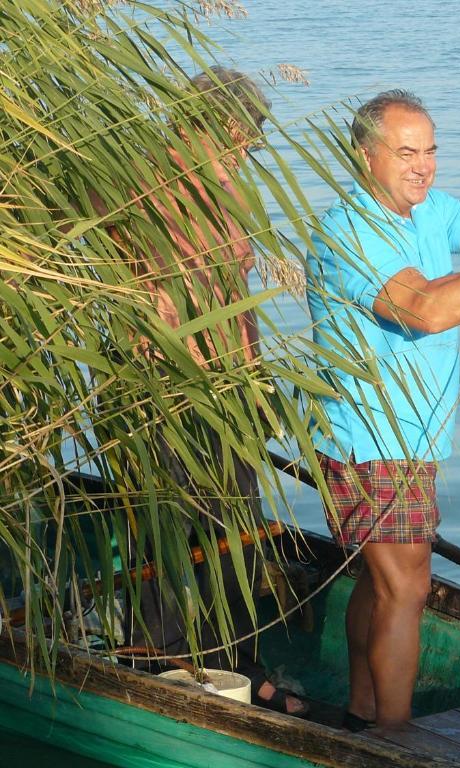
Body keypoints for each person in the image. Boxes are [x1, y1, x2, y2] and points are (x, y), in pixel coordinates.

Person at [305, 89, 460, 730]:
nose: (422, 165)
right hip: (371, 436)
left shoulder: (428, 211)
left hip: (416, 439)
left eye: (430, 152)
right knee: (407, 587)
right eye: (406, 152)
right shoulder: (348, 231)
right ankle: (394, 737)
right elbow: (424, 308)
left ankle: (364, 710)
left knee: (379, 581)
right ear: (365, 157)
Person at [115, 66, 307, 717]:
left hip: (230, 391)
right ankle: (156, 659)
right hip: (170, 390)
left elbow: (236, 304)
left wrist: (256, 384)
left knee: (237, 533)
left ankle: (232, 662)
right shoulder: (146, 183)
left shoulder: (225, 189)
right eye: (241, 135)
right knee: (176, 533)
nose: (247, 149)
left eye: (249, 139)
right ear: (208, 123)